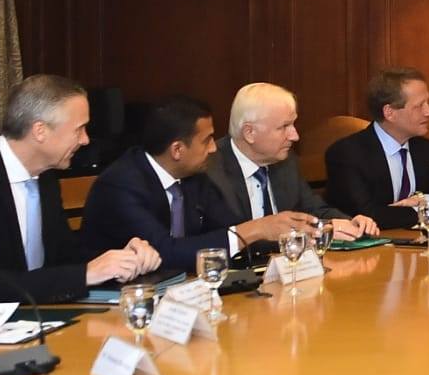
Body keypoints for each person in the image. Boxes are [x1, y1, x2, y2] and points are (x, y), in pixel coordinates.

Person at [0, 75, 161, 304]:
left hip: (41, 315)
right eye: (79, 129)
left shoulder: (45, 177)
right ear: (40, 131)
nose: (85, 140)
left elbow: (65, 258)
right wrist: (87, 273)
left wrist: (122, 258)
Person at [81, 96, 335, 270]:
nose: (214, 149)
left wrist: (289, 234)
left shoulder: (193, 177)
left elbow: (227, 229)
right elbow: (164, 253)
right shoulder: (121, 186)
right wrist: (256, 229)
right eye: (207, 140)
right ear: (177, 150)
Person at [205, 83, 379, 239]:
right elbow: (221, 239)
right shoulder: (209, 170)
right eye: (284, 127)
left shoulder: (286, 161)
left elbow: (314, 210)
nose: (295, 136)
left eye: (293, 124)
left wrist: (346, 222)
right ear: (249, 132)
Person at [324, 67, 429, 229]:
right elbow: (368, 216)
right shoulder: (347, 154)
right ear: (390, 113)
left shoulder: (425, 150)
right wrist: (425, 211)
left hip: (417, 242)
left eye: (427, 103)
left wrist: (427, 200)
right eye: (419, 106)